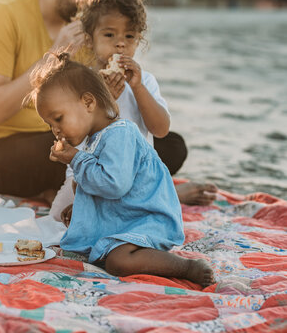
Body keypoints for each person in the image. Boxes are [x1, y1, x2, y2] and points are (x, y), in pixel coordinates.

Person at [27, 52, 215, 287]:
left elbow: (114, 185)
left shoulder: (120, 133)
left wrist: (75, 159)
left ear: (88, 102)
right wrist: (83, 206)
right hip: (128, 217)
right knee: (97, 250)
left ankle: (186, 267)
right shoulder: (95, 139)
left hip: (148, 219)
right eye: (50, 125)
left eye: (58, 118)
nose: (55, 130)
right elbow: (103, 188)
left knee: (118, 262)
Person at [49, 0, 218, 220]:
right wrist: (102, 99)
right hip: (88, 176)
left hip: (137, 178)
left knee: (137, 222)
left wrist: (138, 88)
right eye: (109, 35)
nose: (120, 44)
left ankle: (163, 195)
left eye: (129, 37)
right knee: (58, 218)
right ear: (90, 39)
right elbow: (73, 135)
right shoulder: (81, 83)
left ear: (139, 40)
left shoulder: (145, 82)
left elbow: (161, 129)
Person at [0, 0, 114, 203]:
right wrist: (55, 56)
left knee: (164, 145)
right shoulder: (2, 11)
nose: (92, 0)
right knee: (86, 153)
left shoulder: (91, 26)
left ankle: (61, 191)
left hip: (58, 138)